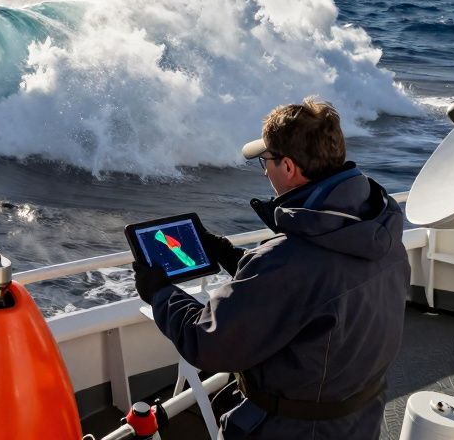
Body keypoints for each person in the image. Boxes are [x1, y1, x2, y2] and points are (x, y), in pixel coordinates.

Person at [133, 98, 409, 440]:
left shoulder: (287, 261)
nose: (264, 171)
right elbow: (309, 290)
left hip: (293, 430)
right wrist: (230, 255)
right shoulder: (379, 226)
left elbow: (205, 343)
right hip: (358, 418)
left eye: (265, 161)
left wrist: (159, 293)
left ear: (289, 168)